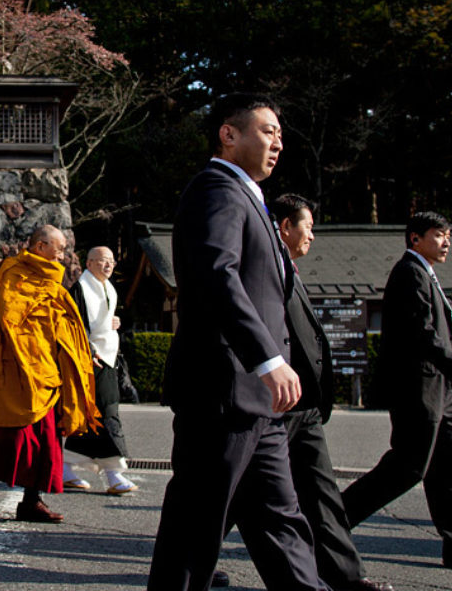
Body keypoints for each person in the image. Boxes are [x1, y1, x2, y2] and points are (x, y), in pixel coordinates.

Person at [147, 93, 324, 591]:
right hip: (223, 391)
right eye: (268, 131)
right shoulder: (217, 189)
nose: (278, 143)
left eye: (281, 135)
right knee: (193, 529)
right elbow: (214, 275)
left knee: (282, 525)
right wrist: (267, 356)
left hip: (256, 401)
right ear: (229, 134)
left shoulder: (250, 198)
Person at [342, 212, 452, 577]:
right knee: (407, 467)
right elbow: (425, 335)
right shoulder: (409, 273)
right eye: (438, 235)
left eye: (448, 235)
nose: (446, 241)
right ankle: (332, 522)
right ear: (415, 238)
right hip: (417, 388)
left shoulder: (426, 274)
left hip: (438, 389)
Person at [258, 195, 392, 591]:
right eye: (308, 226)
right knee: (235, 491)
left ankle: (346, 576)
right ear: (285, 227)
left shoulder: (290, 267)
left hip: (305, 406)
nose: (312, 236)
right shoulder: (266, 264)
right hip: (276, 402)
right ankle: (196, 559)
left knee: (322, 493)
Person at [0, 225, 99, 523]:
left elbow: (59, 319)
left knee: (48, 439)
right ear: (40, 246)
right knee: (12, 434)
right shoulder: (13, 272)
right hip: (21, 369)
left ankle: (31, 500)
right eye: (59, 248)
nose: (63, 255)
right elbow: (11, 321)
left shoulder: (51, 279)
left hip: (48, 369)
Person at [63, 246, 137, 495]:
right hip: (92, 359)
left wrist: (113, 322)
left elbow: (102, 320)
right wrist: (86, 352)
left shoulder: (108, 288)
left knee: (94, 415)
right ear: (89, 262)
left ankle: (66, 466)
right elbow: (76, 324)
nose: (109, 266)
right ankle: (114, 473)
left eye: (111, 262)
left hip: (107, 358)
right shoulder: (80, 288)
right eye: (103, 261)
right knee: (107, 413)